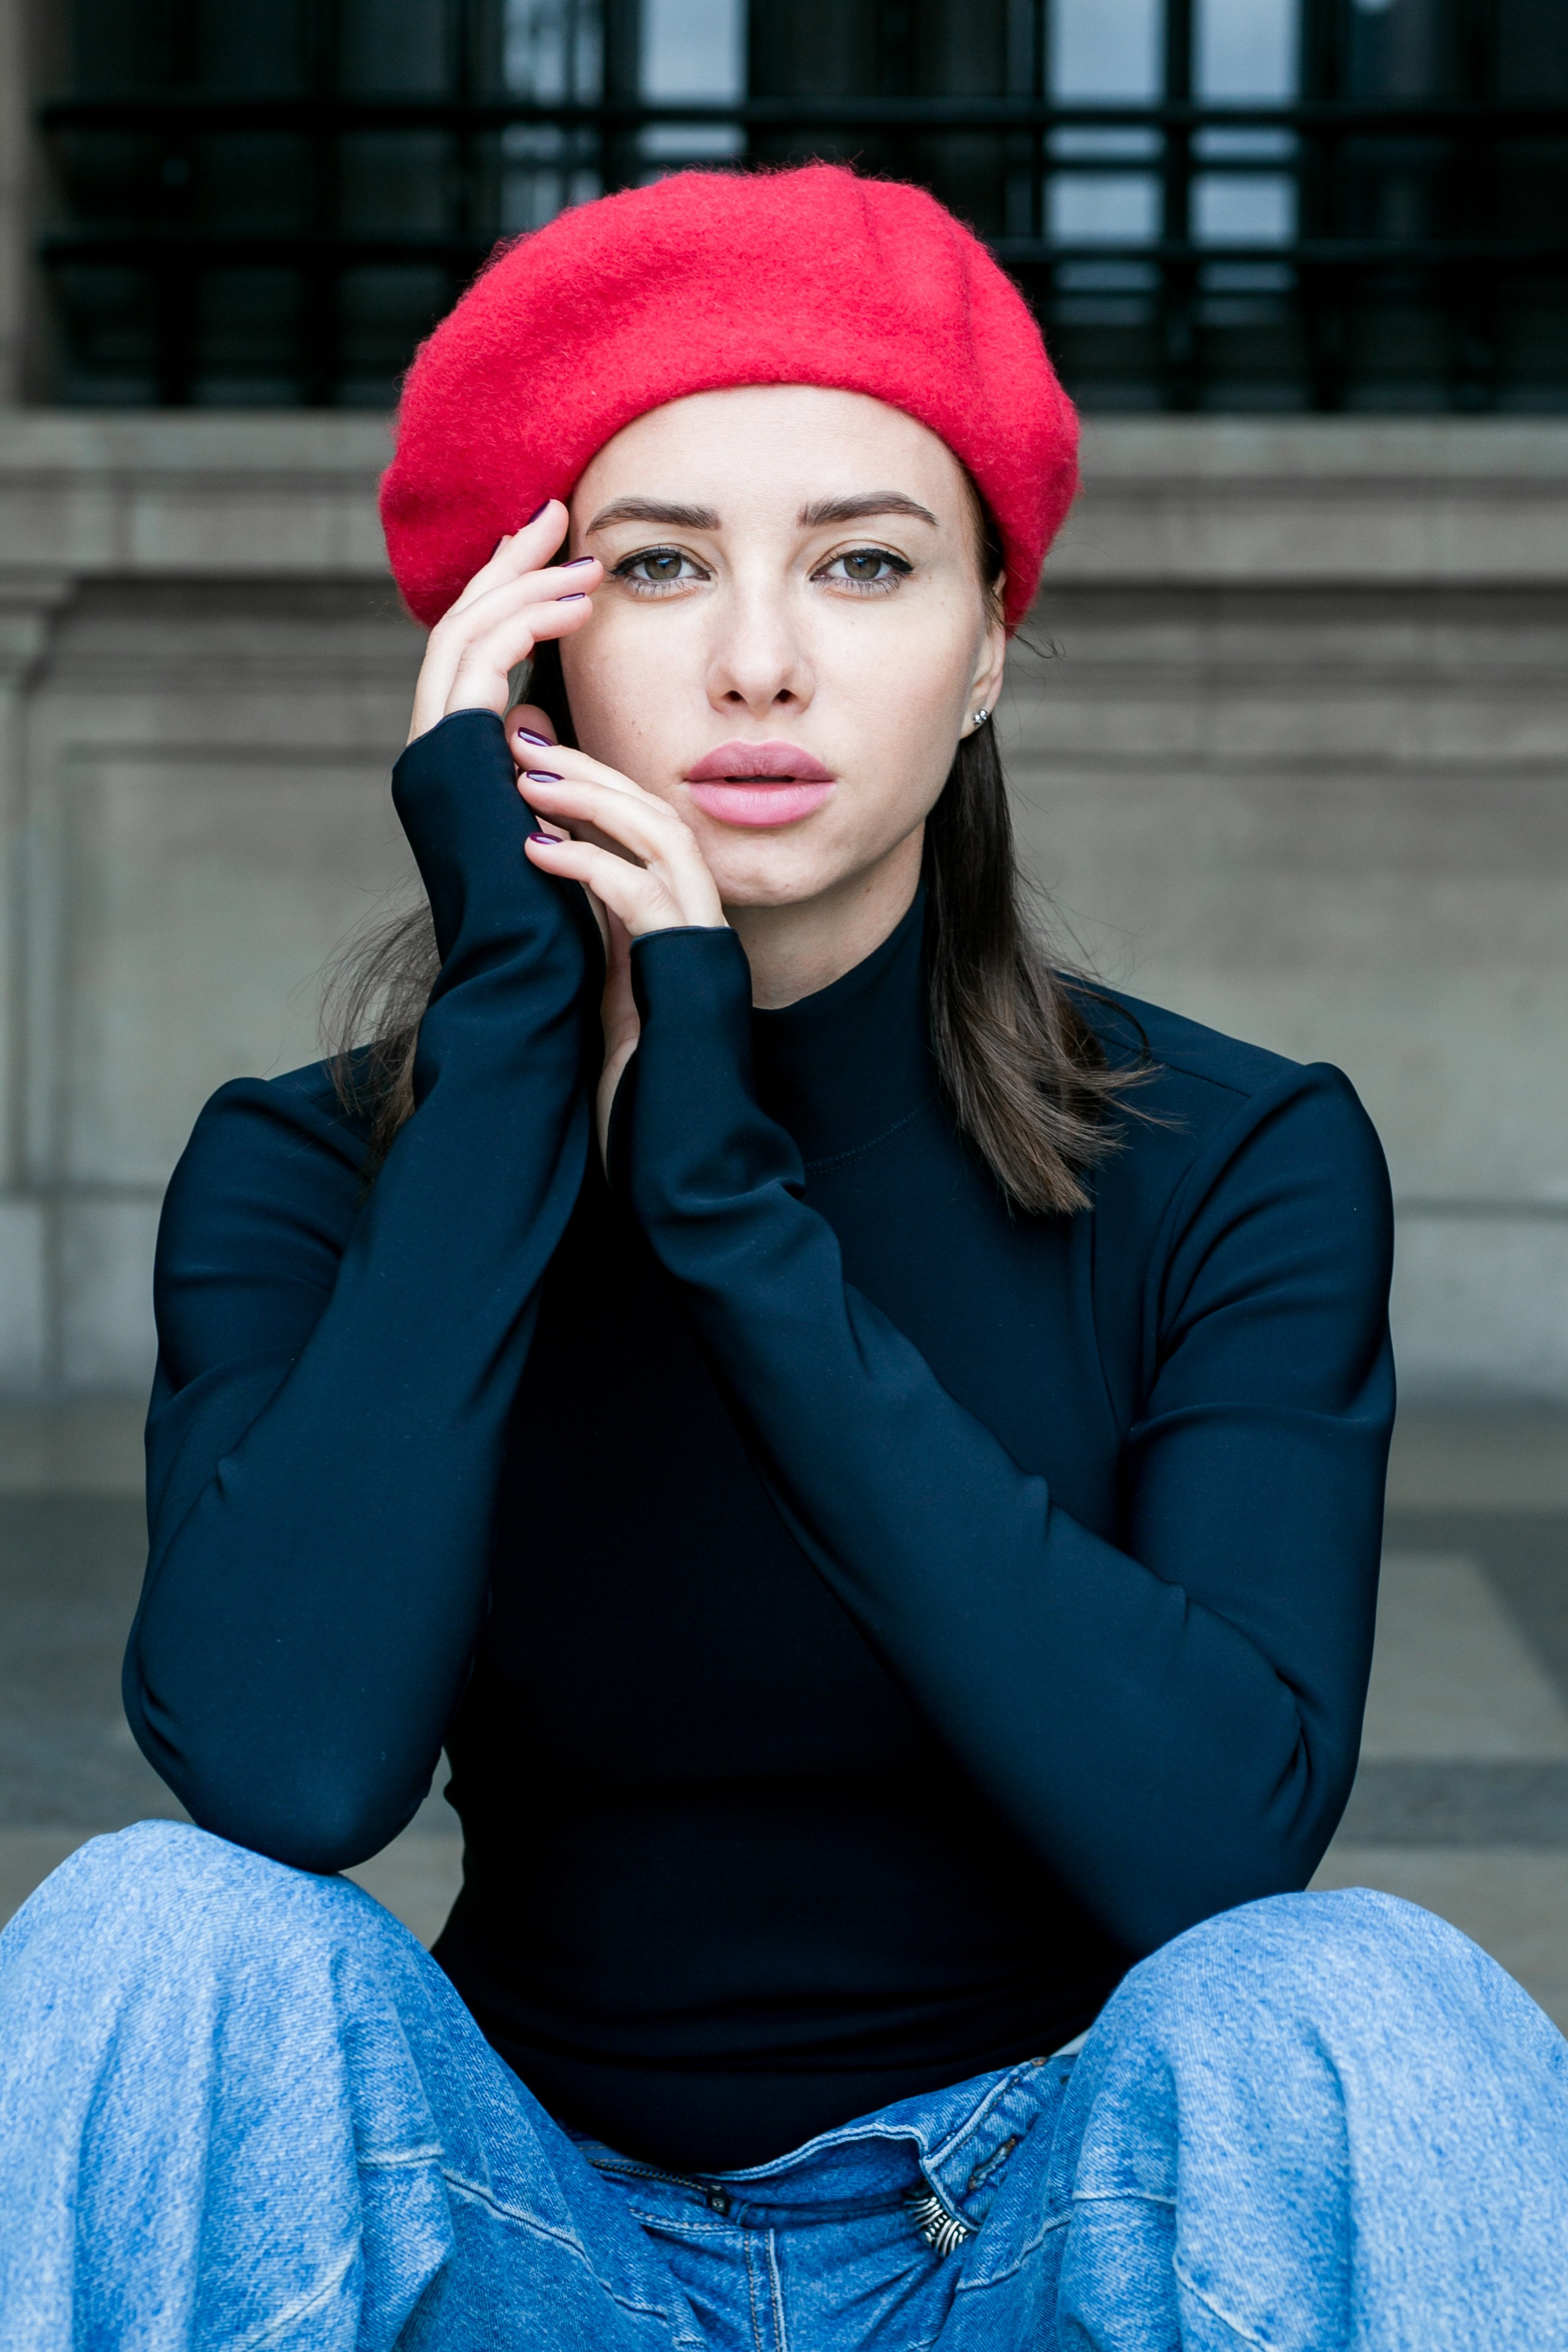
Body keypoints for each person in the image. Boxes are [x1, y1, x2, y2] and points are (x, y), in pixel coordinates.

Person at [2, 163, 1566, 2351]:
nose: (760, 659)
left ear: (990, 639)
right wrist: (524, 1052)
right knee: (154, 1935)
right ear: (529, 652)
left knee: (1349, 2004)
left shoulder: (1231, 1156)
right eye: (659, 566)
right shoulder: (310, 1176)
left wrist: (730, 1208)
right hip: (520, 2232)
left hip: (1035, 2243)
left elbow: (1214, 1845)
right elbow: (285, 1767)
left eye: (864, 562)